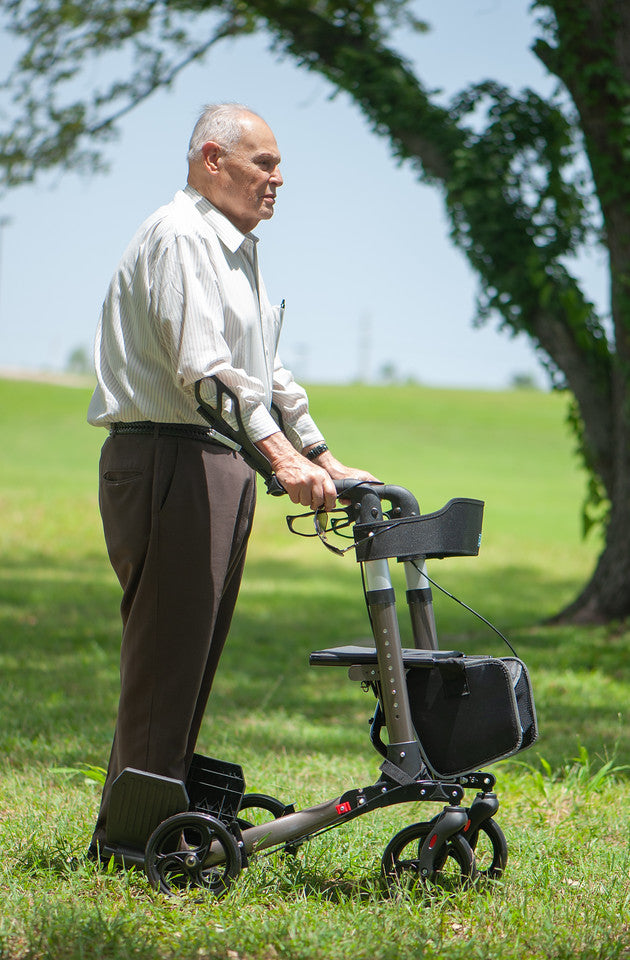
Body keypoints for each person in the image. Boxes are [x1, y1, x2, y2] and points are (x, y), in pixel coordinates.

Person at [86, 102, 378, 857]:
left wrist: (318, 454)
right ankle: (129, 843)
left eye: (278, 165)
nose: (278, 179)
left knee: (191, 652)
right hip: (167, 454)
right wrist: (281, 459)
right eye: (265, 164)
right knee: (167, 653)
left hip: (212, 457)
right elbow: (208, 375)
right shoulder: (182, 234)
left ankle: (151, 816)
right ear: (212, 159)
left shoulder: (233, 246)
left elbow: (260, 369)